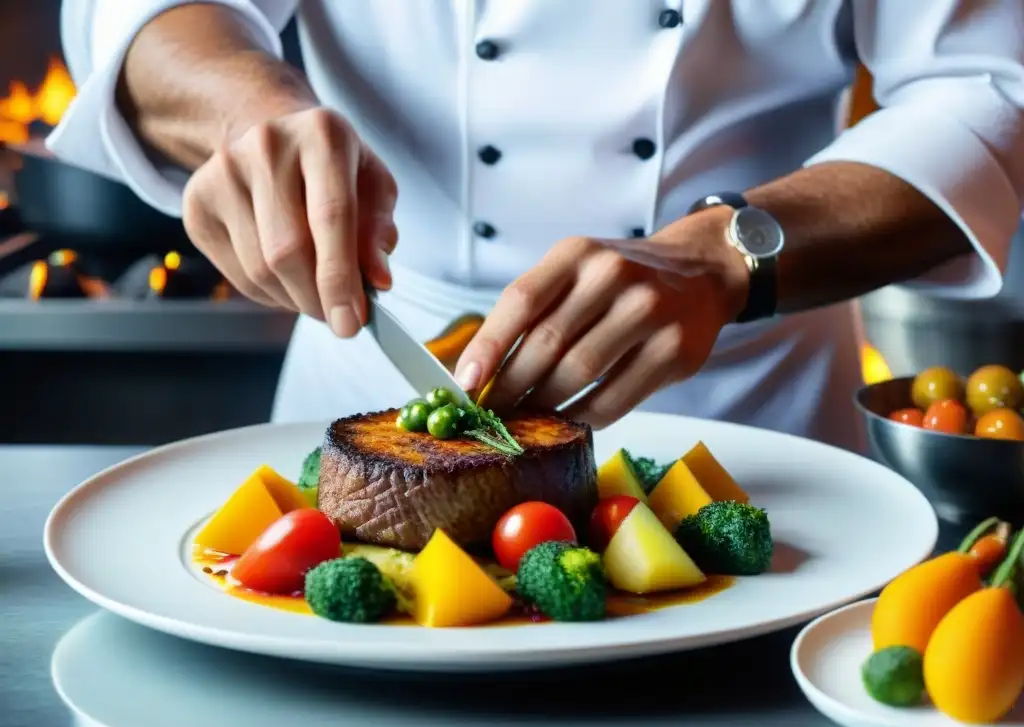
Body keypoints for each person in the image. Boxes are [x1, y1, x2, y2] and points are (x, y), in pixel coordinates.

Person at [50, 1, 1024, 452]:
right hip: (378, 379)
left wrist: (727, 251)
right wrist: (244, 110)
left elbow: (989, 86)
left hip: (745, 411)